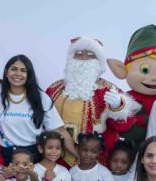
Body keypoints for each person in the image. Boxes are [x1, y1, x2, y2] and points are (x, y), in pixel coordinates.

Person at [46, 37, 135, 165]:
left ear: (98, 62)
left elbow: (125, 125)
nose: (83, 58)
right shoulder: (54, 89)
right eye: (78, 54)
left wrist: (118, 107)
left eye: (89, 55)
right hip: (58, 159)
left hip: (95, 162)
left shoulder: (108, 89)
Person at [0, 54, 75, 164]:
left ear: (29, 75)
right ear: (6, 72)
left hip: (33, 157)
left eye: (23, 70)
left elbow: (60, 130)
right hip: (7, 157)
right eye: (14, 69)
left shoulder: (41, 98)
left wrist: (78, 155)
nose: (18, 74)